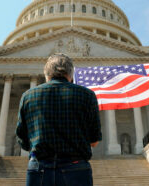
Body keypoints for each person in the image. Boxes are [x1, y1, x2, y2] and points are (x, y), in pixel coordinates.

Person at [16, 53, 102, 186]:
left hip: (40, 168)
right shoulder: (87, 95)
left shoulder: (28, 96)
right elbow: (94, 140)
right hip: (76, 167)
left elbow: (22, 139)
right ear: (71, 74)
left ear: (46, 74)